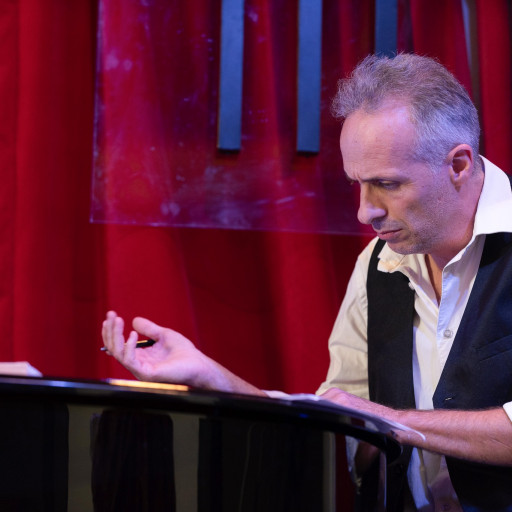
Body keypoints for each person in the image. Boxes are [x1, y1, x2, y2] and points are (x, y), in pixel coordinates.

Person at [102, 54, 512, 511]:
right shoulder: (377, 263)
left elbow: (373, 418)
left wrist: (390, 420)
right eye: (358, 184)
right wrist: (213, 378)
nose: (366, 212)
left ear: (458, 164)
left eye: (388, 184)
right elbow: (341, 428)